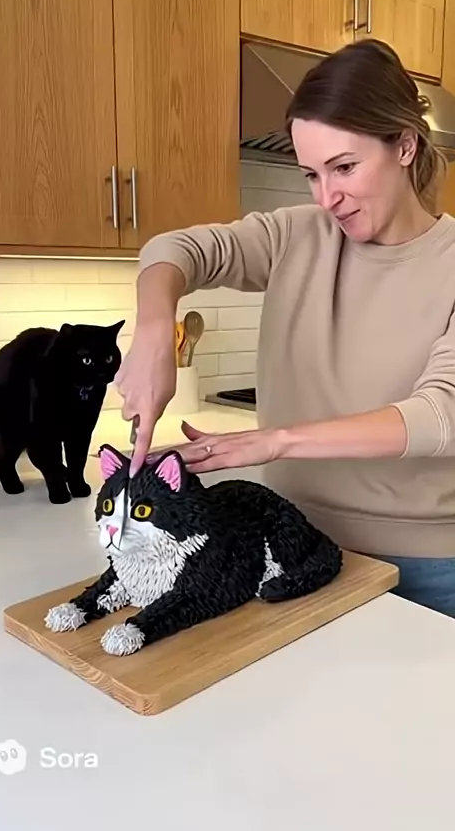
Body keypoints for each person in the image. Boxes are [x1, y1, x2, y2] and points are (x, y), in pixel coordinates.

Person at [115, 38, 455, 617]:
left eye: (344, 167)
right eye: (311, 174)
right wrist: (152, 333)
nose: (329, 198)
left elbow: (440, 414)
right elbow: (176, 249)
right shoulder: (297, 234)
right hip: (287, 540)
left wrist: (275, 441)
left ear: (404, 145)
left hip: (426, 566)